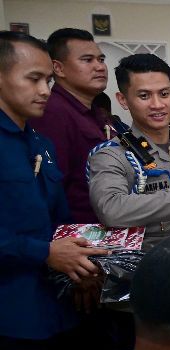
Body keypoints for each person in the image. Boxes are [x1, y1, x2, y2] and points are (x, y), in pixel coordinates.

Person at [0, 31, 109, 350]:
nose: (46, 89)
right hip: (14, 316)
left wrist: (85, 257)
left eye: (48, 78)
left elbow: (63, 216)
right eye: (34, 78)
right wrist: (44, 252)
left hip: (61, 306)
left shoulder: (38, 141)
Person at [87, 53, 170, 246]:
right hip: (148, 269)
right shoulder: (112, 155)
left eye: (164, 94)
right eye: (144, 96)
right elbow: (111, 209)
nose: (157, 105)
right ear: (123, 100)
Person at [30, 28, 114, 223]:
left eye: (101, 59)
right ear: (58, 68)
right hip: (75, 233)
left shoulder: (97, 113)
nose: (99, 67)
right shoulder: (52, 112)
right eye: (87, 60)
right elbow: (53, 187)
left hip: (105, 228)